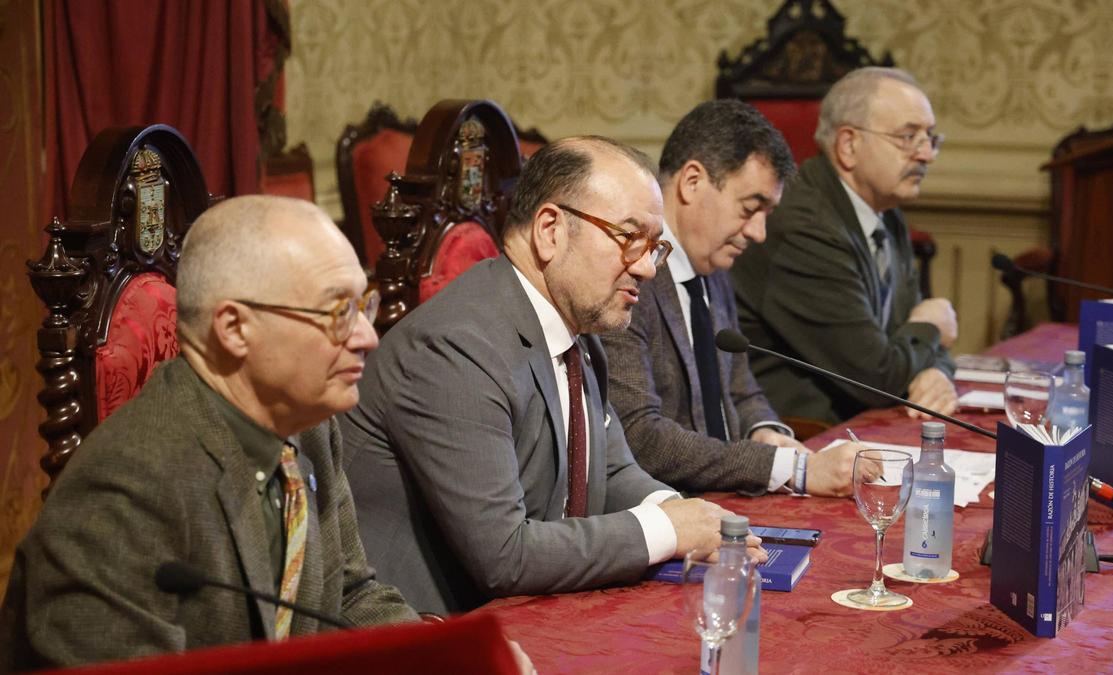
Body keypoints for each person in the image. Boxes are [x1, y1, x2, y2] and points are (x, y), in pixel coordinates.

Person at [340, 136, 764, 616]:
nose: (647, 267)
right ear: (550, 230)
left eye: (655, 247)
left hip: (532, 611)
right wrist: (669, 531)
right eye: (630, 238)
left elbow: (610, 468)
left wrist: (683, 514)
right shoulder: (456, 347)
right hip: (428, 634)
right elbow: (505, 556)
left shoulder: (575, 328)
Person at [1, 197, 424, 669]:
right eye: (338, 312)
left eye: (365, 306)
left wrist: (454, 659)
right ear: (235, 328)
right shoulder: (123, 491)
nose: (368, 336)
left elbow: (350, 594)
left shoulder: (309, 428)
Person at [601, 100, 864, 497]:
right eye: (749, 208)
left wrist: (766, 431)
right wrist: (790, 468)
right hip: (667, 512)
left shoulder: (715, 267)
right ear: (692, 182)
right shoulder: (630, 273)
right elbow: (640, 435)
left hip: (731, 499)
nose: (759, 232)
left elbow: (741, 389)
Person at [730, 67, 959, 424]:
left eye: (930, 138)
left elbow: (911, 332)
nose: (926, 154)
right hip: (805, 432)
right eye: (908, 137)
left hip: (862, 416)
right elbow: (876, 375)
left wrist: (938, 372)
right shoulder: (804, 226)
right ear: (849, 145)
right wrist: (932, 327)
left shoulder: (886, 212)